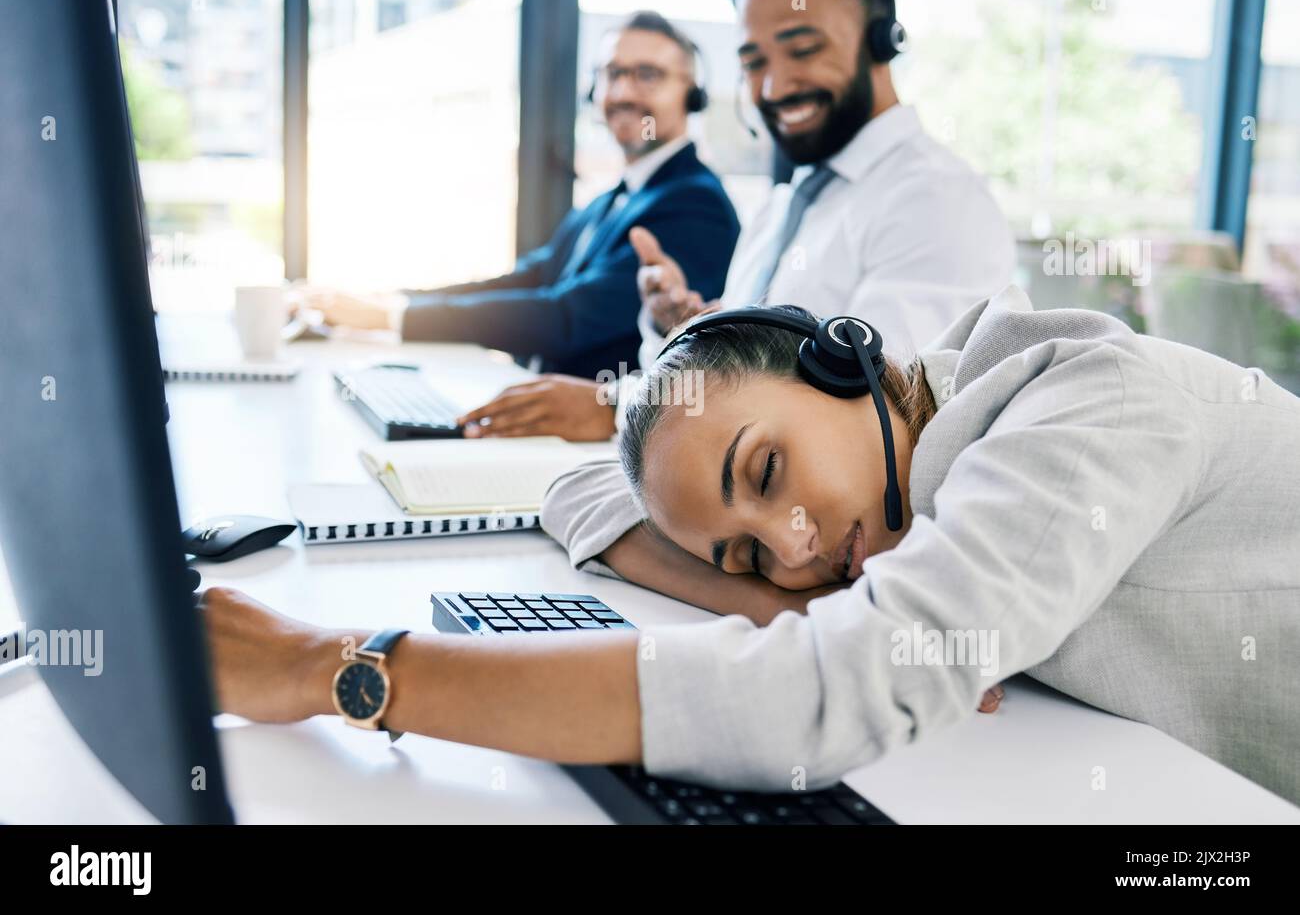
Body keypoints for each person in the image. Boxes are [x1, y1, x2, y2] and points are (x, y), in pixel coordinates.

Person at [199, 284, 1300, 804]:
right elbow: (585, 488)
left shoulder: (1095, 406)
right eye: (739, 554)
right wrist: (791, 607)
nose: (795, 544)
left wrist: (336, 668)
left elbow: (831, 697)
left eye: (766, 472)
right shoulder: (898, 486)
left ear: (848, 362)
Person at [456, 0, 1014, 441]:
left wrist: (615, 408)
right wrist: (682, 329)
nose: (773, 87)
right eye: (754, 62)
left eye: (802, 49)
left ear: (880, 40)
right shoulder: (783, 209)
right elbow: (735, 380)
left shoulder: (938, 202)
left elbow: (864, 410)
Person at [300, 11, 740, 385]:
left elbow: (564, 319)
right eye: (613, 73)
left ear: (692, 93)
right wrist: (391, 301)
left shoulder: (695, 206)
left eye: (648, 74)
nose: (623, 92)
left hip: (600, 450)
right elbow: (532, 278)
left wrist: (390, 318)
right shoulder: (612, 199)